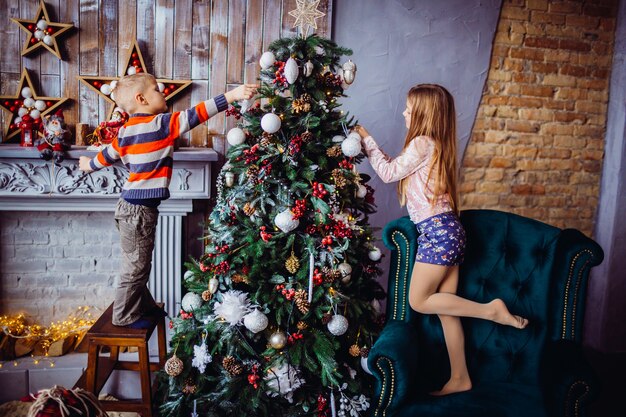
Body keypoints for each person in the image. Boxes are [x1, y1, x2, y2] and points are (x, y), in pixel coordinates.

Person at [353, 83, 528, 396]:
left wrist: (366, 140)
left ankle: (492, 310)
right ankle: (460, 377)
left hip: (439, 234)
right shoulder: (437, 144)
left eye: (409, 108)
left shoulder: (422, 142)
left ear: (423, 113)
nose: (404, 113)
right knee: (447, 312)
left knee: (418, 301)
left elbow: (390, 172)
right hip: (452, 231)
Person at [79, 73, 257, 328]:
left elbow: (105, 156)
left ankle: (144, 306)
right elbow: (197, 113)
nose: (162, 91)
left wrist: (87, 164)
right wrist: (232, 95)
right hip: (138, 211)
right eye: (155, 89)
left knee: (140, 262)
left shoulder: (125, 132)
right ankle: (123, 317)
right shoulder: (161, 124)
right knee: (135, 268)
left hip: (131, 209)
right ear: (141, 99)